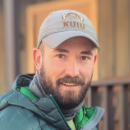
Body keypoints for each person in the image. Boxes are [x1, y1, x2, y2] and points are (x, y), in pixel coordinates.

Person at [0, 10, 104, 130]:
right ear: (38, 59)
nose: (73, 71)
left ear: (94, 61)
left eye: (84, 57)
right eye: (61, 56)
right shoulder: (10, 125)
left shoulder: (84, 121)